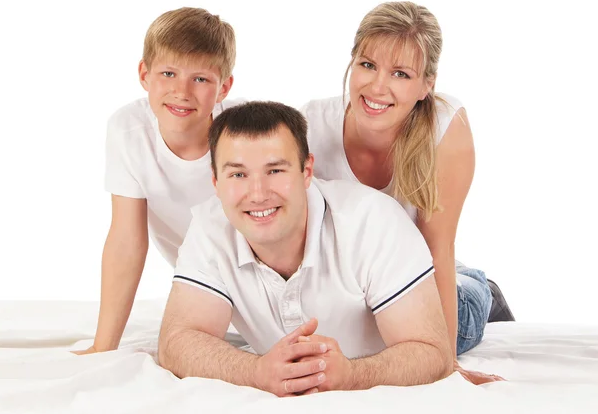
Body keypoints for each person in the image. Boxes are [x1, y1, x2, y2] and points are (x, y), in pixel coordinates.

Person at [158, 101, 453, 396]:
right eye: (238, 174)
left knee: (468, 296)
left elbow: (433, 351)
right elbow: (176, 342)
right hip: (394, 275)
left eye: (275, 170)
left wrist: (352, 375)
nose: (258, 194)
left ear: (307, 171)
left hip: (435, 295)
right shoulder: (210, 226)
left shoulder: (373, 220)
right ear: (216, 181)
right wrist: (256, 372)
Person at [301, 1, 513, 384]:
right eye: (367, 65)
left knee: (453, 317)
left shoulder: (444, 128)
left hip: (422, 279)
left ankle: (483, 290)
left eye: (400, 73)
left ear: (426, 85)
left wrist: (445, 368)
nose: (377, 87)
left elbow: (437, 247)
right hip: (356, 286)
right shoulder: (311, 126)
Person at [75, 7, 238, 355]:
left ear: (224, 87)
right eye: (168, 73)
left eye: (201, 79)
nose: (182, 91)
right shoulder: (129, 131)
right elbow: (126, 241)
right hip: (212, 283)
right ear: (144, 75)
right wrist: (103, 347)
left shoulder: (243, 132)